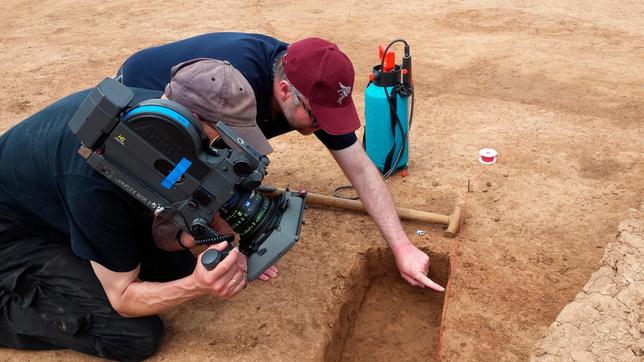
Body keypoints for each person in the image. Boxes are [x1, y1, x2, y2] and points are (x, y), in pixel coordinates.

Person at [119, 32, 445, 292]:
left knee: (241, 167)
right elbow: (201, 171)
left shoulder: (309, 81)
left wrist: (402, 246)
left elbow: (360, 168)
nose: (323, 126)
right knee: (169, 197)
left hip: (206, 113)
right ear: (286, 91)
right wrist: (231, 240)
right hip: (144, 96)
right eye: (318, 117)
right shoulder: (232, 89)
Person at [0, 59, 274, 360]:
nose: (227, 152)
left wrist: (191, 236)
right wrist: (196, 286)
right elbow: (123, 297)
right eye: (223, 141)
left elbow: (165, 205)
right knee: (134, 336)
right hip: (14, 235)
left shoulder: (156, 122)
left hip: (52, 204)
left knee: (174, 265)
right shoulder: (94, 176)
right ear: (192, 119)